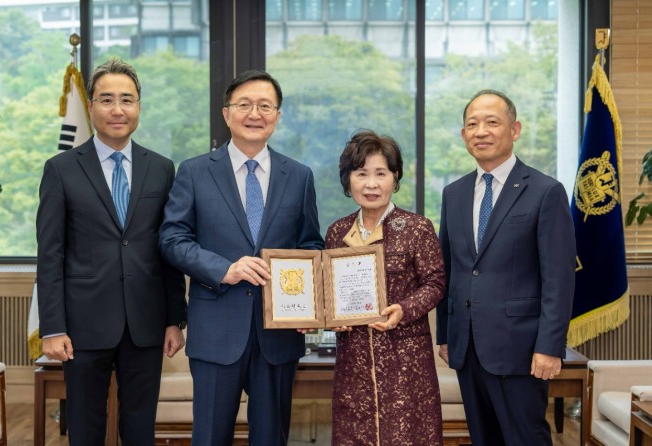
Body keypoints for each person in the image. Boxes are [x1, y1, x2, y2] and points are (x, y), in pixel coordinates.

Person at [158, 69, 323, 445]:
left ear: (277, 116)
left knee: (271, 437)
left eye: (265, 106)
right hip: (216, 330)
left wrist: (304, 303)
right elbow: (171, 239)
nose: (255, 113)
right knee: (211, 437)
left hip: (278, 335)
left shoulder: (299, 176)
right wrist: (224, 269)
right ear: (226, 113)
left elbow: (311, 246)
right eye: (245, 104)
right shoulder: (195, 172)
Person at [36, 58, 187, 444]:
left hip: (146, 322)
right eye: (106, 100)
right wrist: (52, 327)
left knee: (140, 428)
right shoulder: (61, 169)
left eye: (127, 99)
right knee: (85, 428)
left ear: (139, 106)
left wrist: (175, 318)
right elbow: (50, 253)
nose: (117, 110)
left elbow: (167, 249)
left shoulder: (162, 168)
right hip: (82, 324)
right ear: (90, 107)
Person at [436, 89, 576, 445]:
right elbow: (449, 268)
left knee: (525, 437)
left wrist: (550, 346)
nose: (481, 131)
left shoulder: (545, 191)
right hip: (467, 347)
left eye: (492, 122)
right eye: (472, 124)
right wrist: (446, 336)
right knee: (483, 438)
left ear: (515, 130)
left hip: (521, 349)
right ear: (463, 135)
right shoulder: (454, 193)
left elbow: (558, 280)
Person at [325, 129, 446, 445]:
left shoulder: (417, 228)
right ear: (348, 180)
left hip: (406, 360)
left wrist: (403, 309)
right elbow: (329, 293)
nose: (371, 184)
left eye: (381, 173)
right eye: (361, 173)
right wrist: (329, 318)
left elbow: (435, 284)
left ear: (395, 177)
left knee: (407, 434)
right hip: (354, 362)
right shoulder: (337, 232)